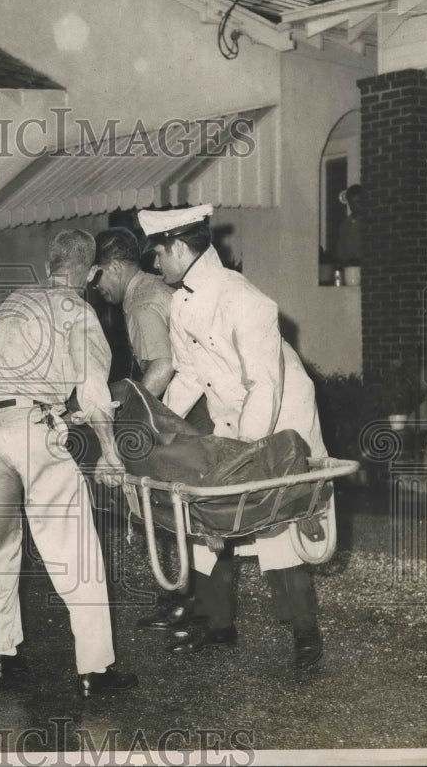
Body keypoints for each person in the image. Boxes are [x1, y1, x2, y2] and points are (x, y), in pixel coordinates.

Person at [140, 203, 328, 669]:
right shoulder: (182, 301)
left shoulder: (245, 300)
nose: (155, 264)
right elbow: (189, 375)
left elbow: (265, 384)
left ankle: (306, 634)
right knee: (211, 517)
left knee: (275, 523)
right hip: (234, 418)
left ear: (180, 248)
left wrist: (246, 453)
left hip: (278, 421)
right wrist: (153, 425)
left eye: (158, 254)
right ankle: (219, 625)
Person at [0, 228, 139, 697]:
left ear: (48, 267)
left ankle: (5, 655)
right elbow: (95, 391)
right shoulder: (79, 310)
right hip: (27, 430)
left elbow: (7, 376)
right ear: (92, 272)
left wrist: (56, 411)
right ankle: (95, 670)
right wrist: (110, 450)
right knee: (75, 547)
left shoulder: (15, 301)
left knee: (2, 544)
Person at [91, 227, 203, 631]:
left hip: (187, 411)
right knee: (180, 507)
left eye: (98, 274)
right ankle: (184, 599)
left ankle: (184, 602)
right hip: (196, 404)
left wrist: (138, 420)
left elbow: (163, 366)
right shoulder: (154, 286)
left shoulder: (140, 302)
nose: (96, 285)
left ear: (117, 267)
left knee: (173, 506)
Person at [335, 184, 362, 266]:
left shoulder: (369, 222)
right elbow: (340, 251)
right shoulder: (344, 225)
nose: (354, 206)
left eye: (357, 202)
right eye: (351, 202)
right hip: (349, 268)